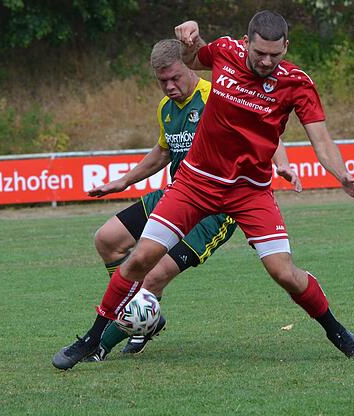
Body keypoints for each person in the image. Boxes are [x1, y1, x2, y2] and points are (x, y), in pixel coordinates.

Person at [53, 11, 354, 371]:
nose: (266, 61)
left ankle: (338, 333)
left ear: (286, 47)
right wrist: (190, 40)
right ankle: (92, 339)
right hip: (195, 183)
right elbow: (193, 59)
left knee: (283, 272)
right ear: (246, 41)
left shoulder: (297, 83)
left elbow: (321, 140)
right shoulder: (225, 52)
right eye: (259, 53)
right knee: (141, 258)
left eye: (275, 55)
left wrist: (343, 176)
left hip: (249, 192)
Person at [84, 38, 302, 361]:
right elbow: (162, 151)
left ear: (189, 66)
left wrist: (281, 162)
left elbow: (267, 129)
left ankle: (103, 342)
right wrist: (123, 181)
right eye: (162, 81)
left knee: (154, 276)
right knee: (107, 239)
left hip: (216, 209)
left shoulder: (218, 94)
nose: (169, 86)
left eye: (175, 77)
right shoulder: (166, 108)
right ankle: (144, 314)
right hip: (178, 194)